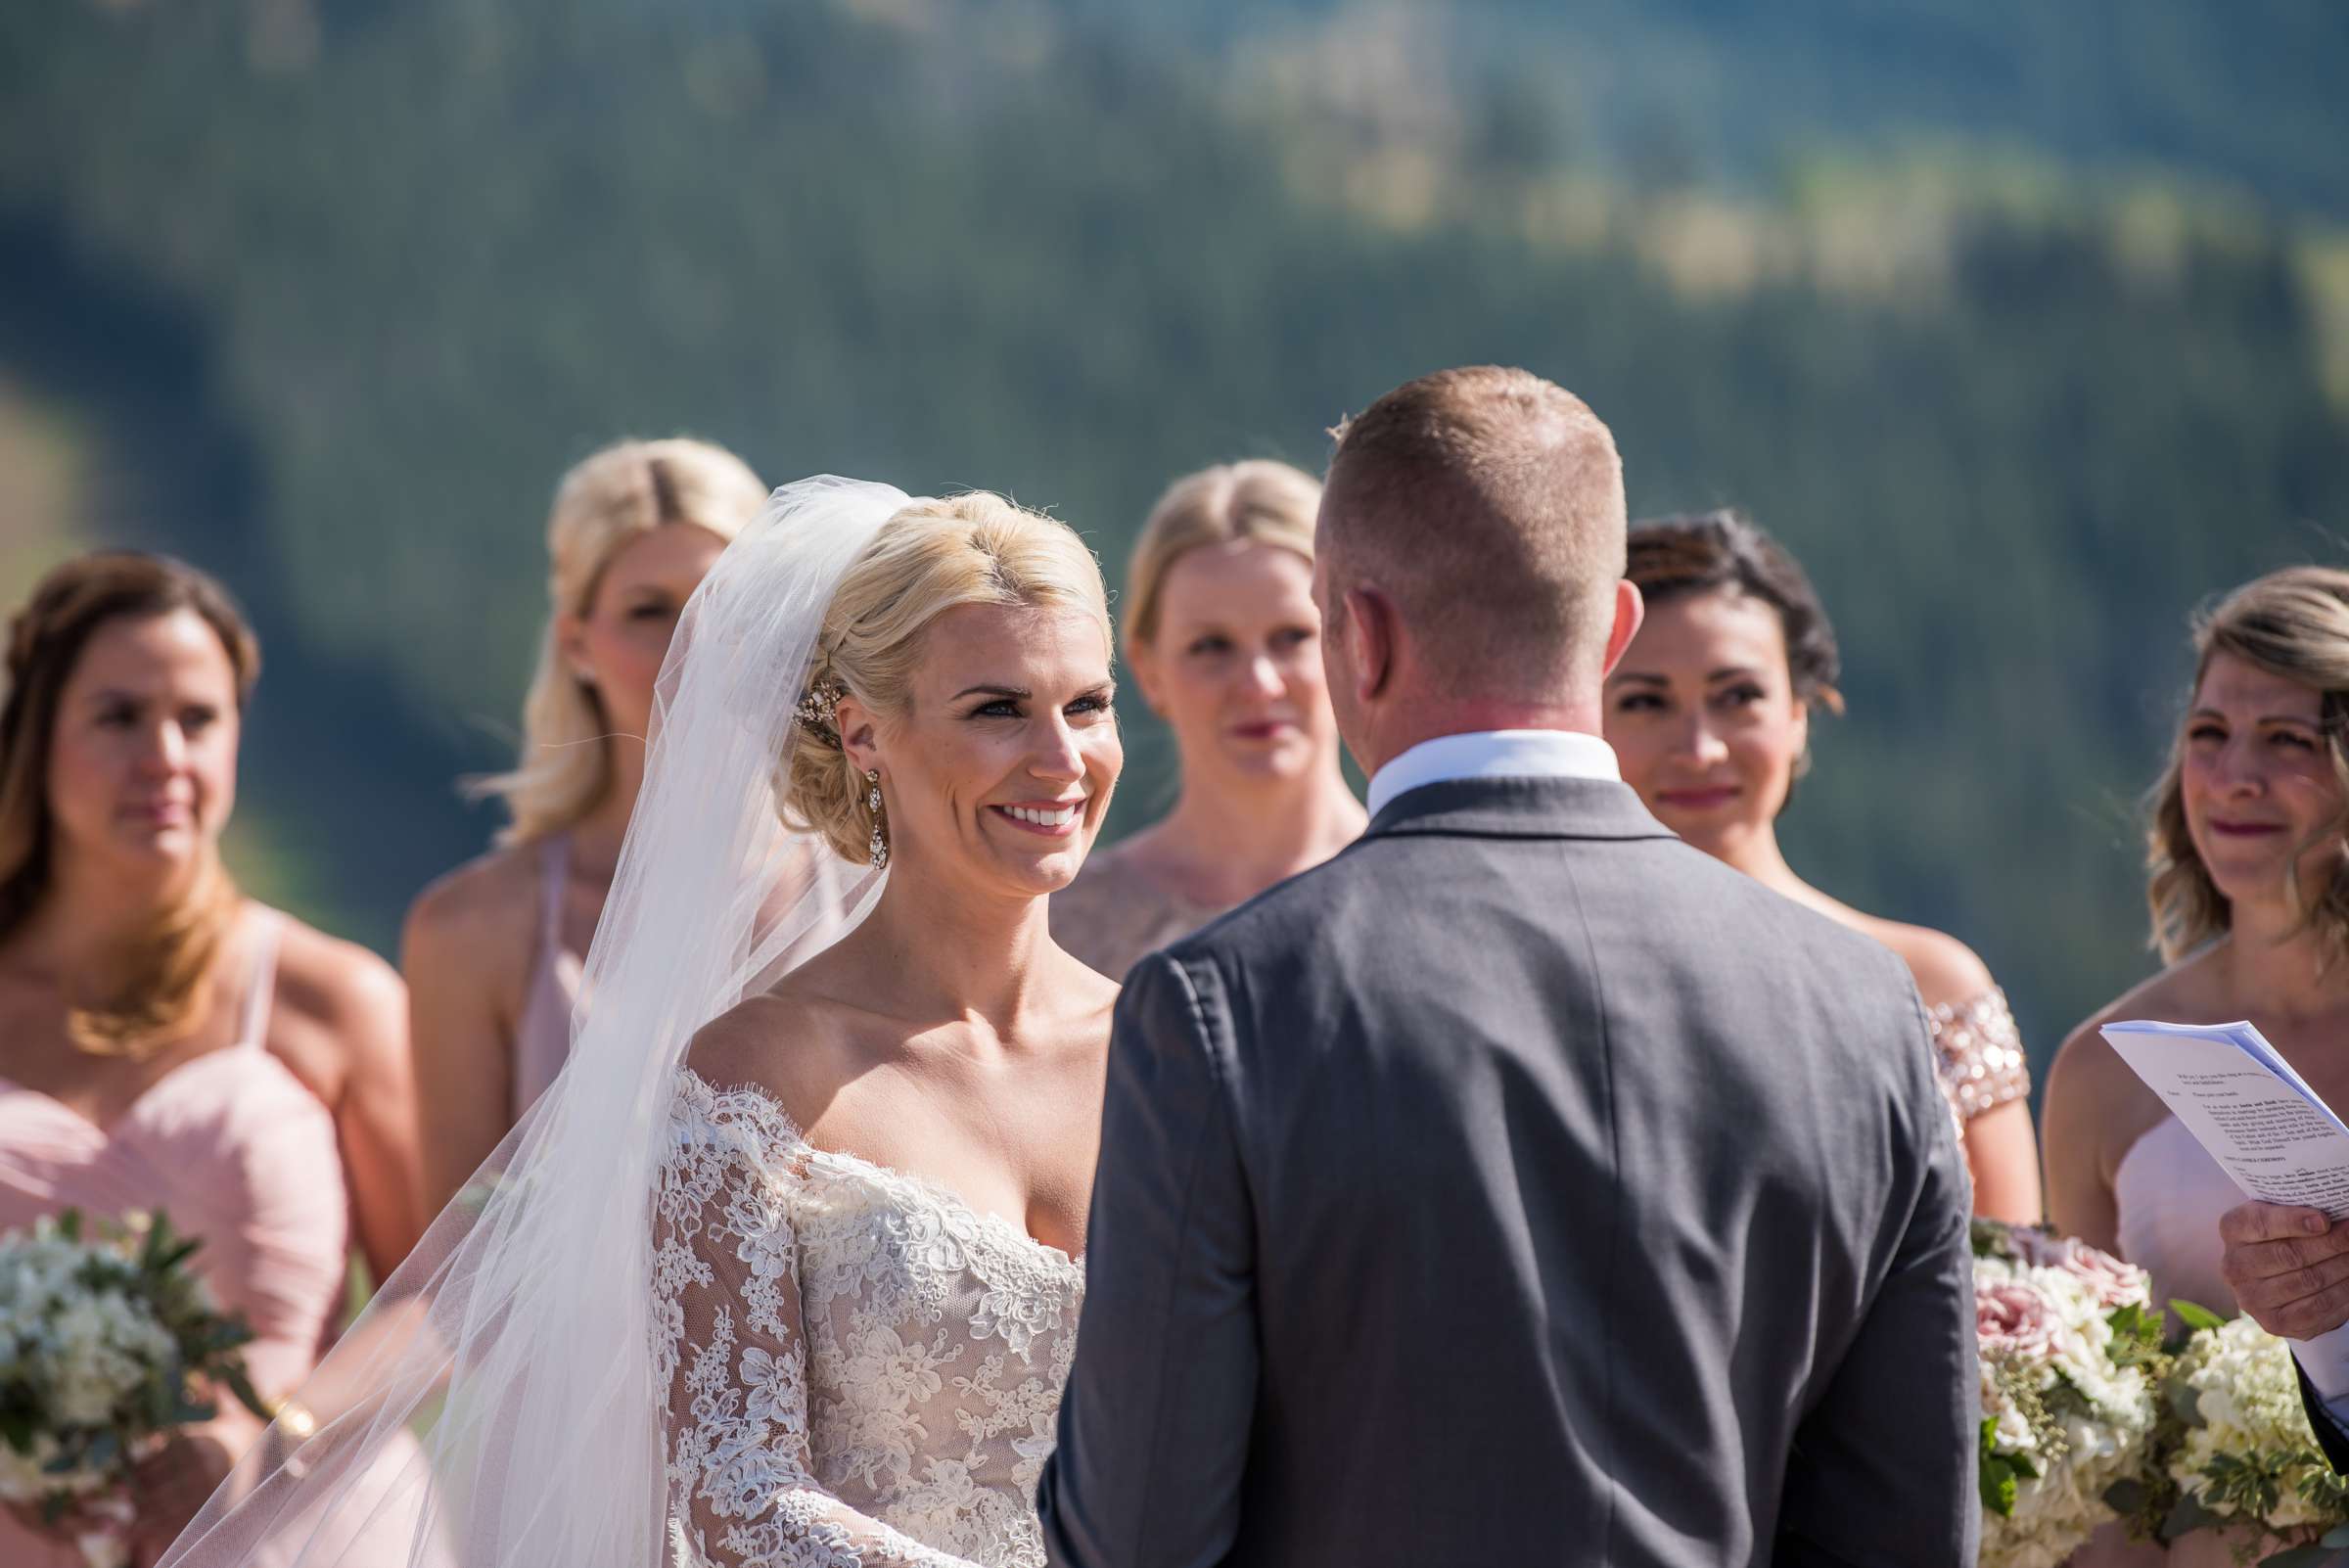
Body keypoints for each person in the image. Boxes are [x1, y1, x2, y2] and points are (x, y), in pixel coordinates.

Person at [1038, 367, 1978, 1568]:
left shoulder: (1227, 1007)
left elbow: (1141, 1545)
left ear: (1360, 634)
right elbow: (1906, 1530)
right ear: (1616, 629)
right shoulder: (1858, 1003)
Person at [160, 479, 1123, 1568]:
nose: (1061, 758)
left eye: (1087, 704)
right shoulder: (747, 1079)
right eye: (997, 709)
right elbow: (738, 1497)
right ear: (863, 735)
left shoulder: (1172, 1055)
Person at [0, 553, 429, 1567]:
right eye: (118, 716)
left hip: (284, 1532)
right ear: (35, 738)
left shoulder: (332, 1001)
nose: (164, 755)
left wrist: (273, 1434)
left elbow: (436, 1292)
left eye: (197, 719)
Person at [1605, 509, 2042, 1222]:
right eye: (1646, 701)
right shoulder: (1550, 977)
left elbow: (2024, 1281)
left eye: (1737, 696)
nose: (1701, 747)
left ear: (1801, 710)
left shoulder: (1931, 984)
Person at [2045, 568, 2349, 1506]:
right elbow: (2084, 1410)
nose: (2235, 776)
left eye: (2288, 739)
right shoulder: (2106, 1067)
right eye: (2208, 735)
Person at [402, 438, 764, 1214]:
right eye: (649, 611)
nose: (695, 642)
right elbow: (450, 1264)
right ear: (578, 646)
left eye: (725, 603)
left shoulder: (879, 890)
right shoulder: (473, 931)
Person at [1050, 461, 1362, 980]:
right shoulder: (1063, 928)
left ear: (1353, 644)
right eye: (1211, 646)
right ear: (1149, 672)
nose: (1259, 683)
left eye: (1292, 637)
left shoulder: (1431, 892)